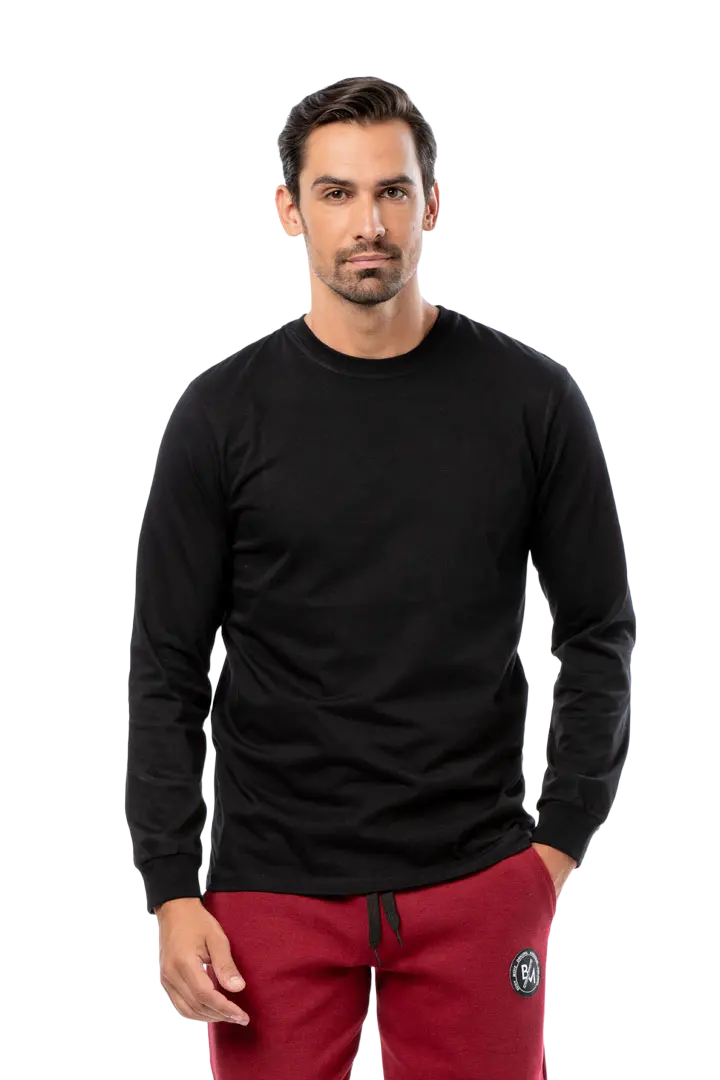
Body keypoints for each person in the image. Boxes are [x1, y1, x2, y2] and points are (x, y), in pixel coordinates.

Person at [125, 75, 636, 1080]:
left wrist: (556, 848)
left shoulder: (531, 400)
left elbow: (597, 631)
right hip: (271, 887)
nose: (369, 223)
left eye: (392, 191)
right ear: (289, 209)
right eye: (338, 192)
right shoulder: (220, 415)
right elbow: (166, 667)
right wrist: (172, 889)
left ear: (432, 202)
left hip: (476, 879)